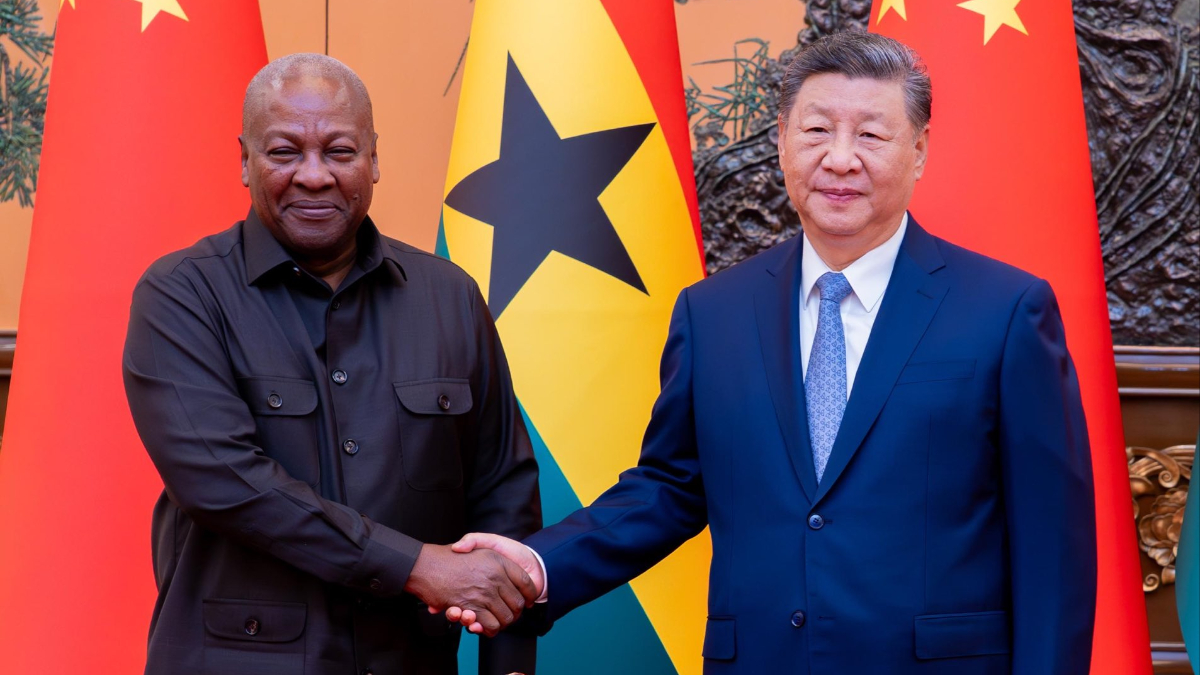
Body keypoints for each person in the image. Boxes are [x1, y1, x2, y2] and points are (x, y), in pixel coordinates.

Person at [449, 31, 1098, 674]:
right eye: (817, 131)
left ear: (920, 149)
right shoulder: (714, 314)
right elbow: (670, 488)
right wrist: (535, 566)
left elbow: (1053, 549)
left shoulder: (1006, 311)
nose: (840, 159)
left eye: (871, 135)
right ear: (782, 139)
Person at [122, 54, 542, 675]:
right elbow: (225, 484)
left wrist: (506, 666)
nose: (313, 176)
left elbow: (504, 501)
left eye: (340, 152)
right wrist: (418, 567)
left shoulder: (449, 296)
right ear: (244, 160)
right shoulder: (182, 294)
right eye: (285, 151)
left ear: (374, 158)